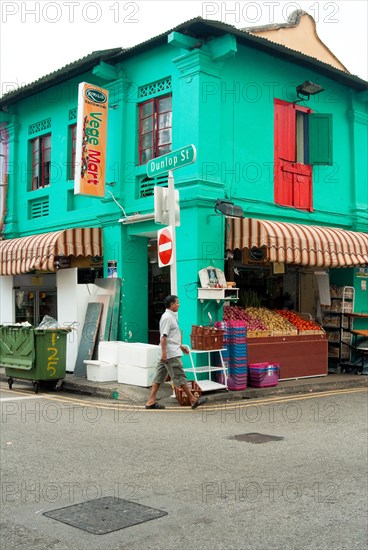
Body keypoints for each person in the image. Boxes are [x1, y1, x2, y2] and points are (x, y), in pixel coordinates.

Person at [146, 295, 207, 410]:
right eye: (177, 303)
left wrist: (181, 346)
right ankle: (193, 399)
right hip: (170, 354)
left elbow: (170, 337)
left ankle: (151, 401)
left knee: (159, 378)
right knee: (180, 376)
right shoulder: (167, 318)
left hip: (169, 352)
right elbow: (163, 337)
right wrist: (165, 353)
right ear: (171, 305)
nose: (179, 305)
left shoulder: (171, 316)